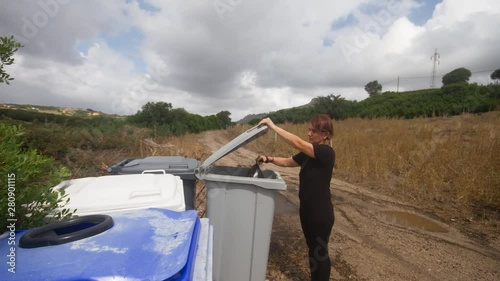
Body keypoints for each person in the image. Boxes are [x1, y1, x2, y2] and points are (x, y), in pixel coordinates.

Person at [256, 114, 335, 281]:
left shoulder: (326, 152)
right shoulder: (309, 153)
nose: (309, 133)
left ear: (326, 134)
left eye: (314, 131)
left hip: (320, 213)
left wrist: (273, 126)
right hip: (307, 210)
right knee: (312, 249)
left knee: (319, 252)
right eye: (309, 130)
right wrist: (268, 158)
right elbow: (287, 161)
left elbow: (298, 142)